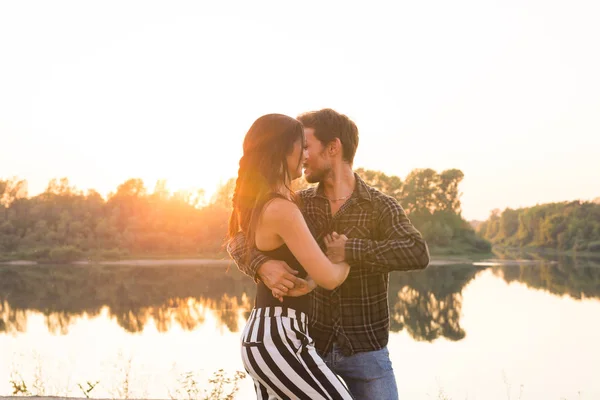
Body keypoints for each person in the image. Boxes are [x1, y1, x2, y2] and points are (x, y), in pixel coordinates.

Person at [228, 108, 430, 400]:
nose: (304, 155)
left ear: (334, 147)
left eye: (307, 146)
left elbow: (416, 252)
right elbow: (237, 237)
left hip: (366, 349)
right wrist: (261, 265)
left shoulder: (379, 205)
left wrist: (351, 249)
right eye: (301, 148)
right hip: (308, 344)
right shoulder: (298, 203)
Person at [227, 113, 355, 399]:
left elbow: (237, 241)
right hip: (278, 336)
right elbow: (330, 278)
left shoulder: (266, 203)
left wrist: (264, 266)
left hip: (275, 333)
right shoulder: (281, 209)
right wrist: (345, 253)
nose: (306, 154)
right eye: (302, 146)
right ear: (284, 150)